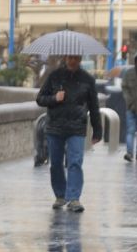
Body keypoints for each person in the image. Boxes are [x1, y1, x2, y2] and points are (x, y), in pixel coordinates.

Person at [36, 54, 102, 213]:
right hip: (55, 126)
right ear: (65, 58)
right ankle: (60, 195)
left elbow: (94, 106)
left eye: (76, 58)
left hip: (76, 128)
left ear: (80, 59)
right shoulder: (54, 76)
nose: (73, 61)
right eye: (70, 58)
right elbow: (40, 99)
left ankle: (74, 198)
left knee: (75, 162)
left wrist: (97, 129)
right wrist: (54, 98)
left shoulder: (88, 80)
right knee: (56, 164)